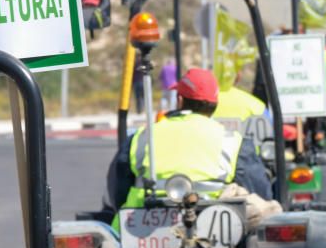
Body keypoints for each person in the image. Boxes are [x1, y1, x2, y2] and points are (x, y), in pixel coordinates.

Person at [102, 68, 274, 227]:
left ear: (180, 100)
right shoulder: (232, 141)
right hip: (217, 229)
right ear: (214, 104)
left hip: (138, 227)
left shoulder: (142, 136)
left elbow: (118, 189)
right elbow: (259, 191)